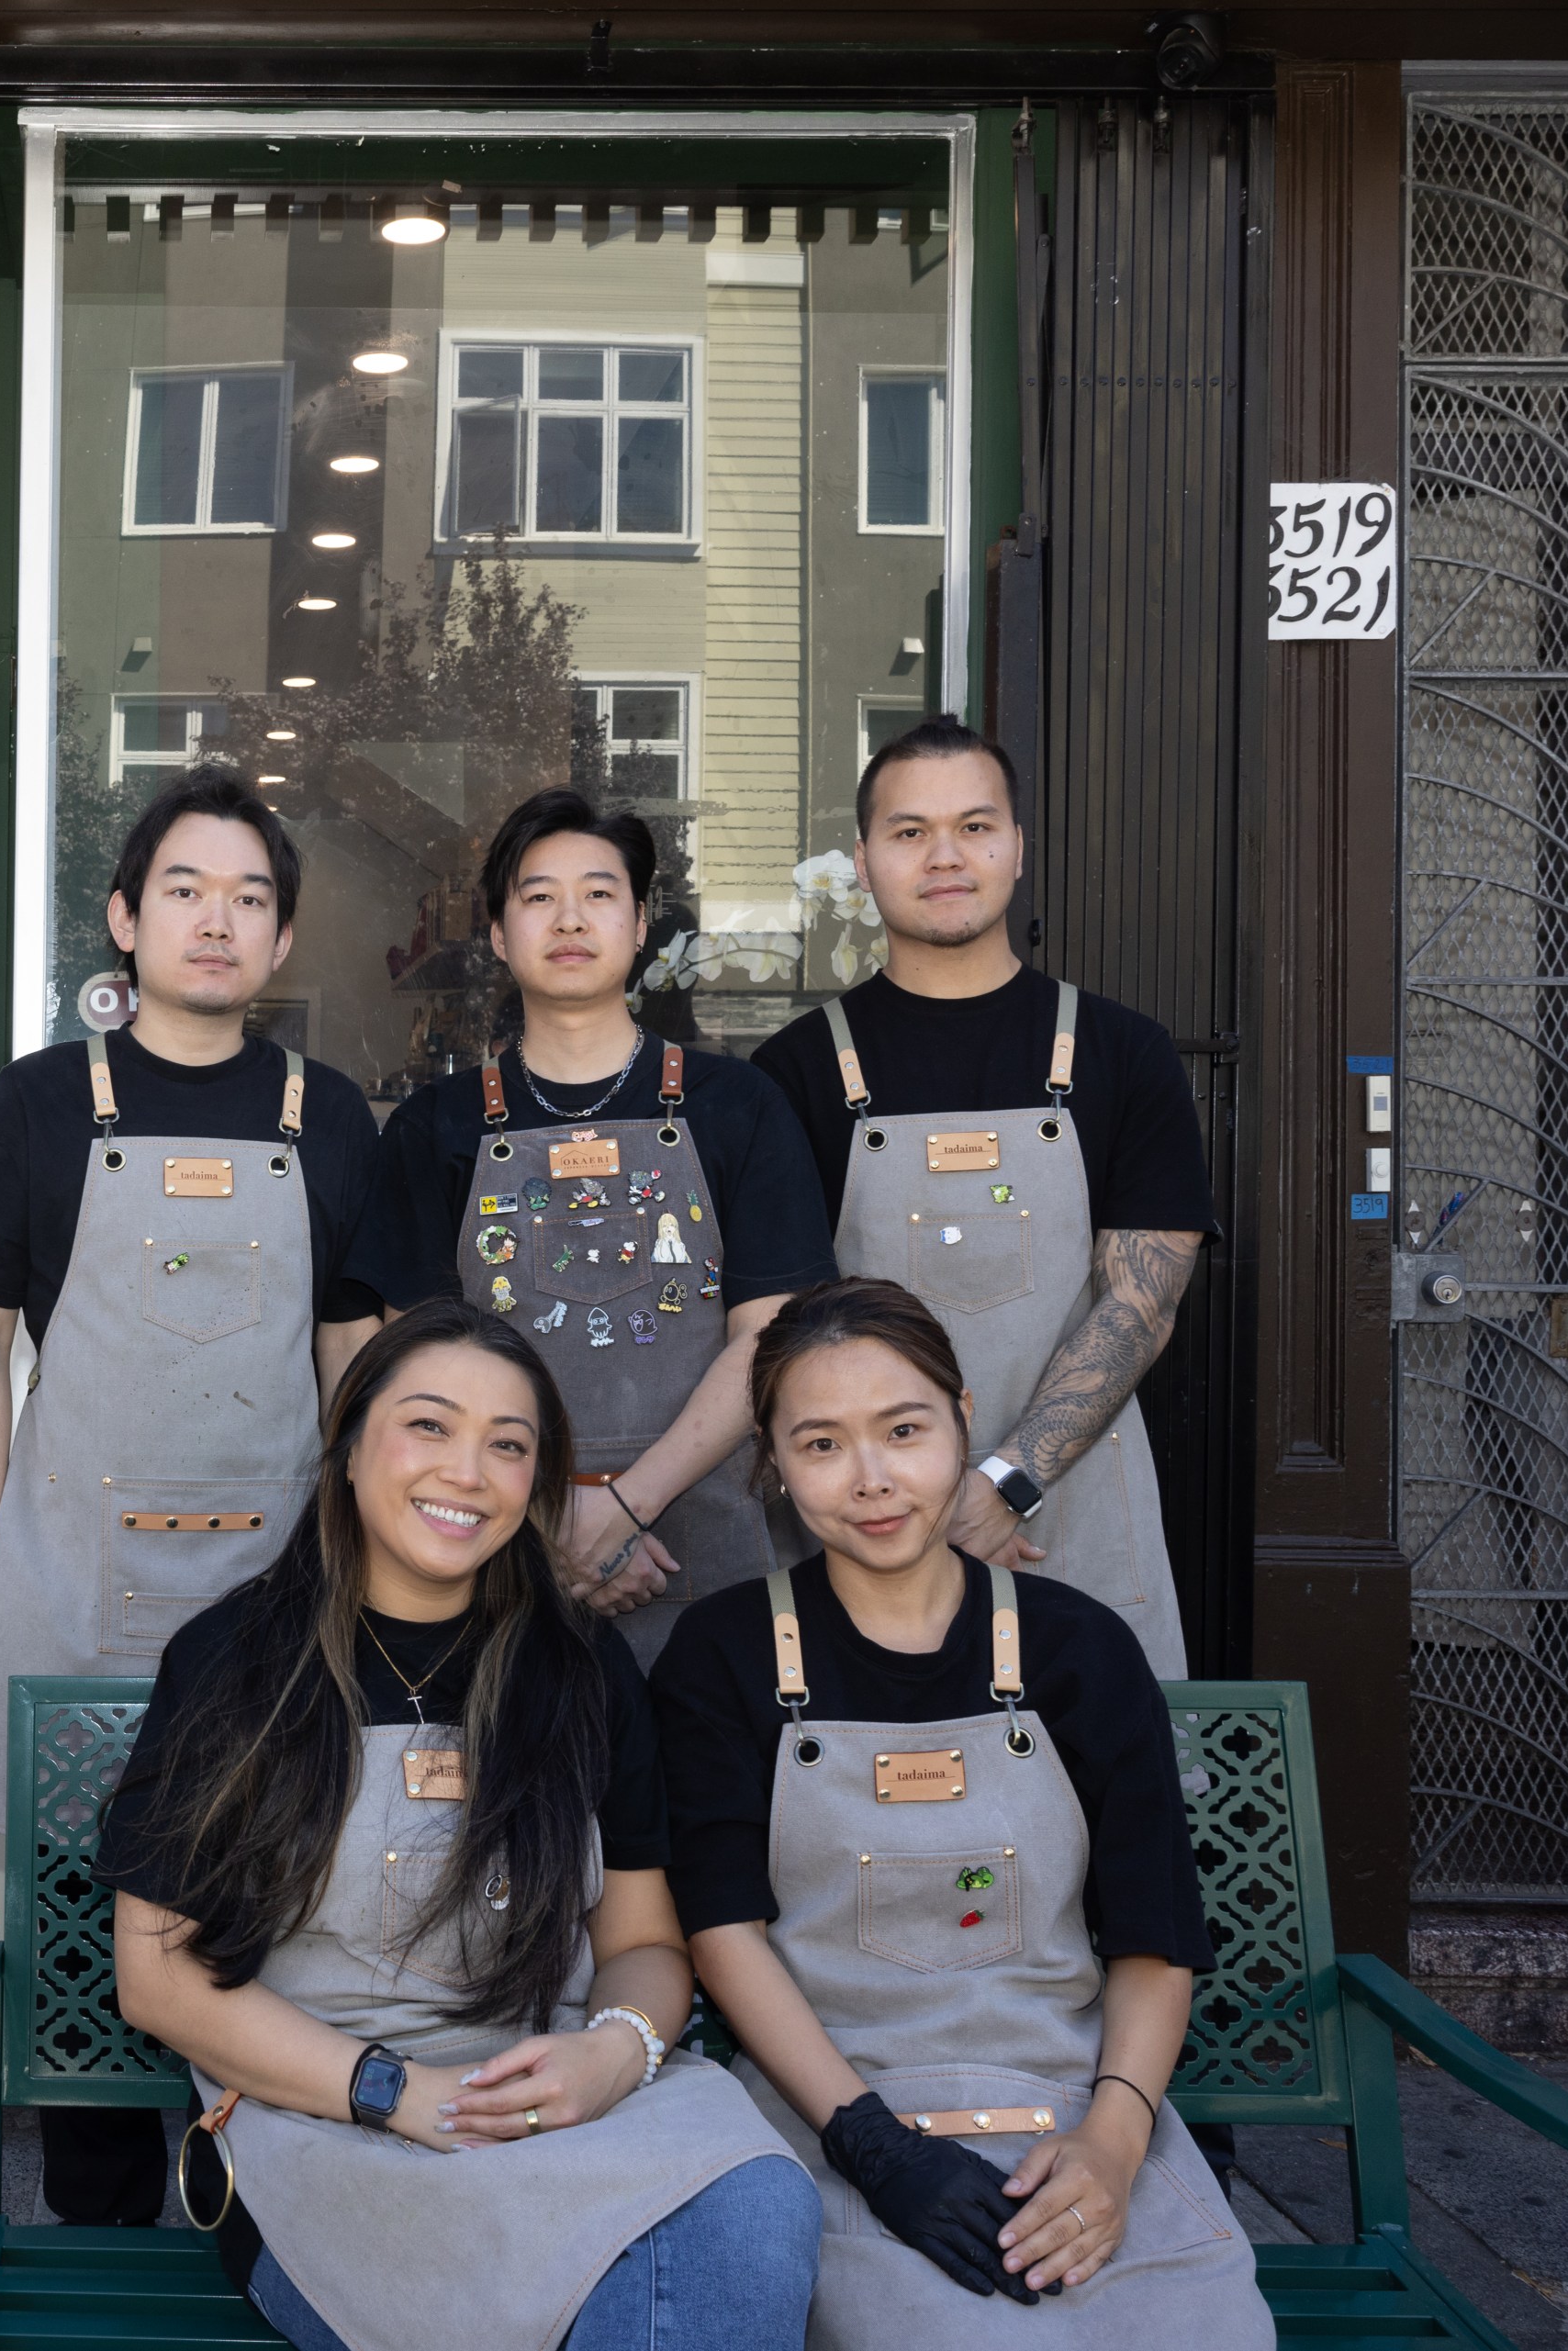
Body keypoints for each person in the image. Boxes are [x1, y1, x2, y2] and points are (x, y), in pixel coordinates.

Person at [101, 1298, 819, 2351]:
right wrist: (392, 2090)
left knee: (756, 2210)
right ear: (349, 1447)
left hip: (559, 2101)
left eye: (509, 1444)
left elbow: (644, 1945)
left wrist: (611, 2055)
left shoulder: (579, 1666)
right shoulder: (235, 1659)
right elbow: (156, 1977)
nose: (468, 1471)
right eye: (429, 1425)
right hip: (323, 2127)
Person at [0, 764, 384, 2227]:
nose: (216, 920)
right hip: (77, 1595)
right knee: (77, 1934)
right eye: (184, 889)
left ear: (284, 937)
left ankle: (269, 2233)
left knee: (279, 1918)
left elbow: (359, 1372)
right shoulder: (41, 1106)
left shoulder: (333, 1116)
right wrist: (0, 1561)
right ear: (124, 917)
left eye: (250, 896)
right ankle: (100, 2218)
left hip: (275, 1613)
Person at [650, 1277, 1268, 2345]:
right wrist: (871, 2143)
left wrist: (1115, 2144)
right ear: (775, 1461)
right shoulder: (723, 1654)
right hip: (826, 2118)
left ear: (963, 1419)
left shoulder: (1081, 1649)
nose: (874, 1479)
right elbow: (719, 1929)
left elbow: (1155, 1929)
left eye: (904, 1429)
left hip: (1073, 2109)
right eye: (823, 1444)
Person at [750, 720, 1216, 1680]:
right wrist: (908, 1501)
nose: (946, 855)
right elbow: (779, 1327)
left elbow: (1144, 1302)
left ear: (1017, 846)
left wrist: (1009, 1479)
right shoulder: (790, 1073)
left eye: (974, 824)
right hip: (862, 1522)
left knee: (1108, 1788)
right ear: (863, 861)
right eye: (910, 831)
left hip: (1072, 1513)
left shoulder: (1124, 1054)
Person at [356, 789, 838, 1666]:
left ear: (642, 922)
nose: (569, 917)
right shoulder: (435, 1127)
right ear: (499, 934)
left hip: (712, 1563)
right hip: (502, 1563)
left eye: (600, 893)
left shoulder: (737, 1107)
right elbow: (416, 1369)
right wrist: (550, 1525)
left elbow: (772, 1338)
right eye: (538, 897)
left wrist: (621, 1507)